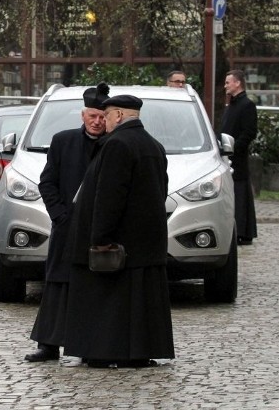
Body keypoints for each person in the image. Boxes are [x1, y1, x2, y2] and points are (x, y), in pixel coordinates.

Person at [63, 93, 175, 368]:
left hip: (119, 242)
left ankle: (104, 352)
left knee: (111, 302)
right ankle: (137, 353)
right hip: (147, 240)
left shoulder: (117, 145)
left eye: (109, 114)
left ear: (119, 115)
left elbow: (109, 196)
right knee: (139, 303)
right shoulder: (154, 145)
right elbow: (161, 189)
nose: (105, 120)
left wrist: (100, 237)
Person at [24, 83, 109, 362]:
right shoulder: (63, 141)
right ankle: (49, 344)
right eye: (92, 116)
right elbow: (47, 182)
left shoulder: (113, 145)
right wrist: (59, 215)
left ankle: (88, 346)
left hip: (98, 228)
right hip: (66, 225)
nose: (97, 122)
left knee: (92, 286)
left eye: (101, 117)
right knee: (58, 283)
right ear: (83, 116)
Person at [220, 69, 258, 245]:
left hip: (237, 156)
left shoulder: (247, 105)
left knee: (240, 193)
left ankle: (243, 231)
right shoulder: (231, 105)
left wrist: (234, 148)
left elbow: (250, 132)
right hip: (228, 154)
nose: (226, 85)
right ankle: (236, 229)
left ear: (237, 83)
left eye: (228, 82)